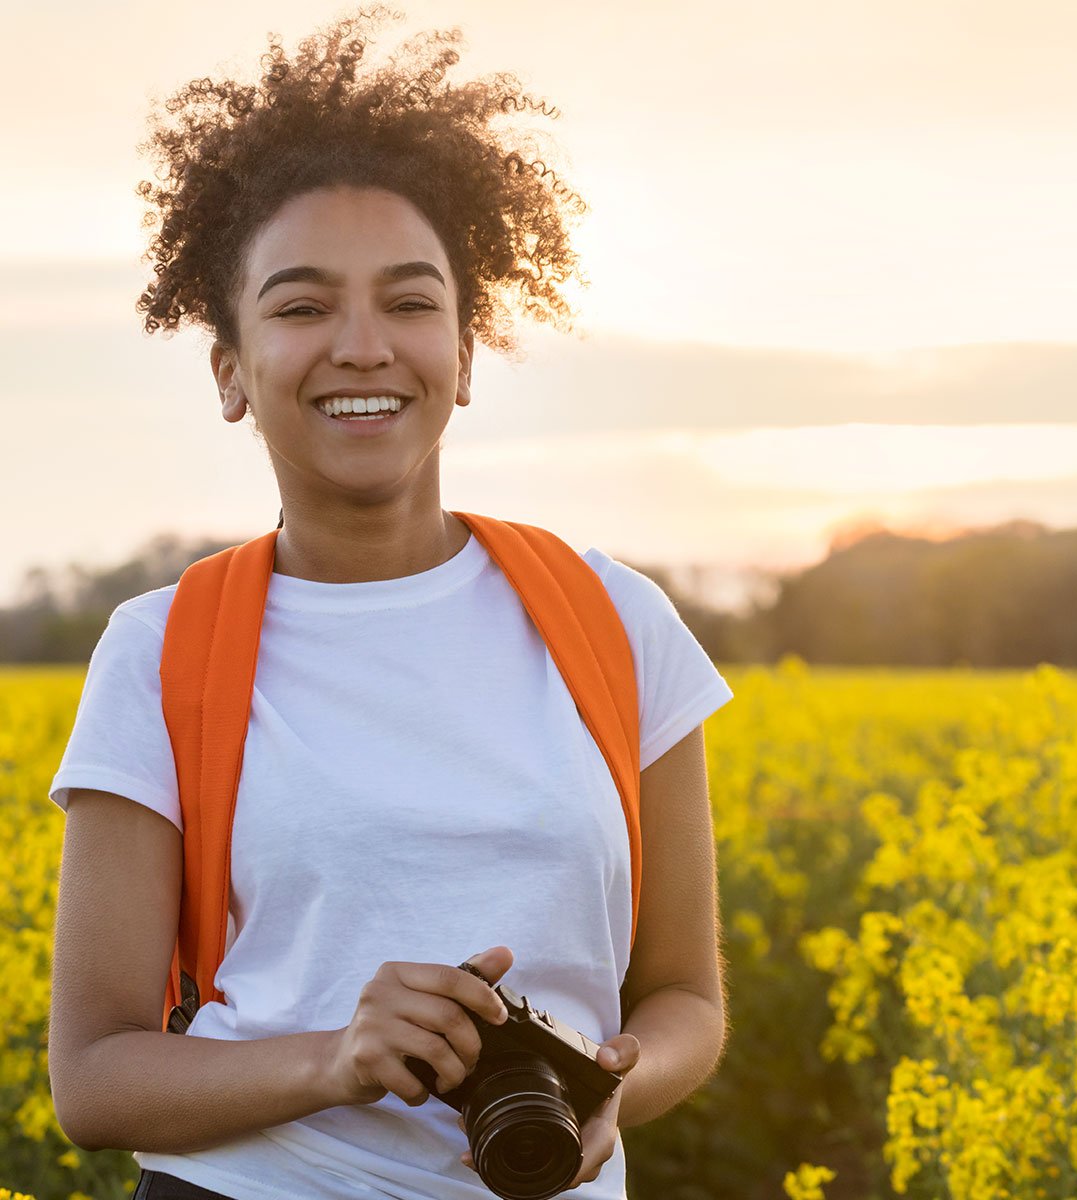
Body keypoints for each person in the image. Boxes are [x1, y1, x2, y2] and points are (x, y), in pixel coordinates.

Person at [44, 8, 733, 1199]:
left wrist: (617, 1086)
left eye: (412, 303)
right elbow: (94, 1080)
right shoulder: (160, 653)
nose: (364, 346)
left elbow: (686, 998)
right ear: (230, 370)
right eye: (303, 307)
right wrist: (338, 1061)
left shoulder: (616, 622)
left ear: (465, 355)